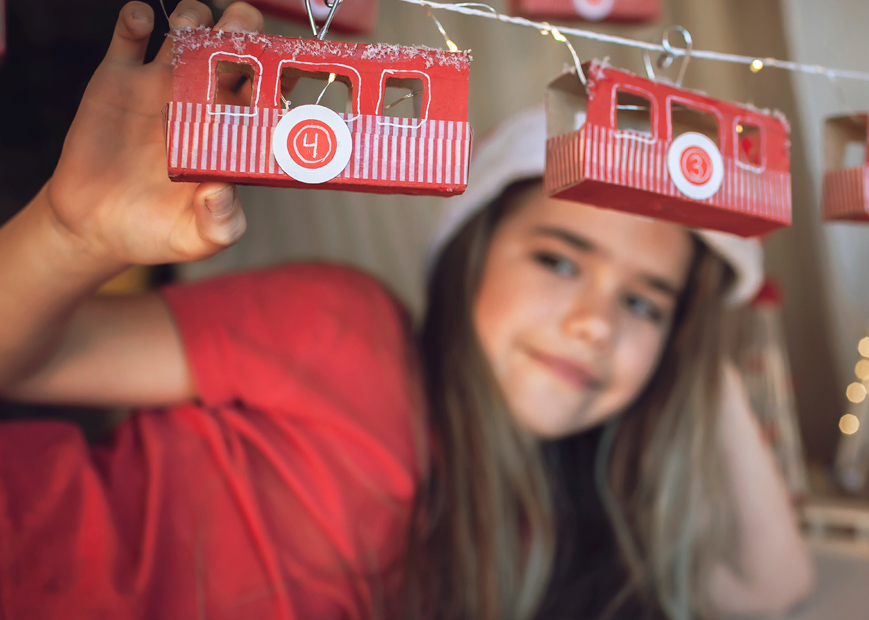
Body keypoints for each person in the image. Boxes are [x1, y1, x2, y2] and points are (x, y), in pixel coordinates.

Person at [0, 2, 814, 619]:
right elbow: (29, 361)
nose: (596, 322)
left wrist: (693, 345)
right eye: (559, 260)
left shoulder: (530, 534)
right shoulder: (343, 330)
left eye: (644, 303)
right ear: (471, 263)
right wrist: (70, 234)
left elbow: (773, 586)